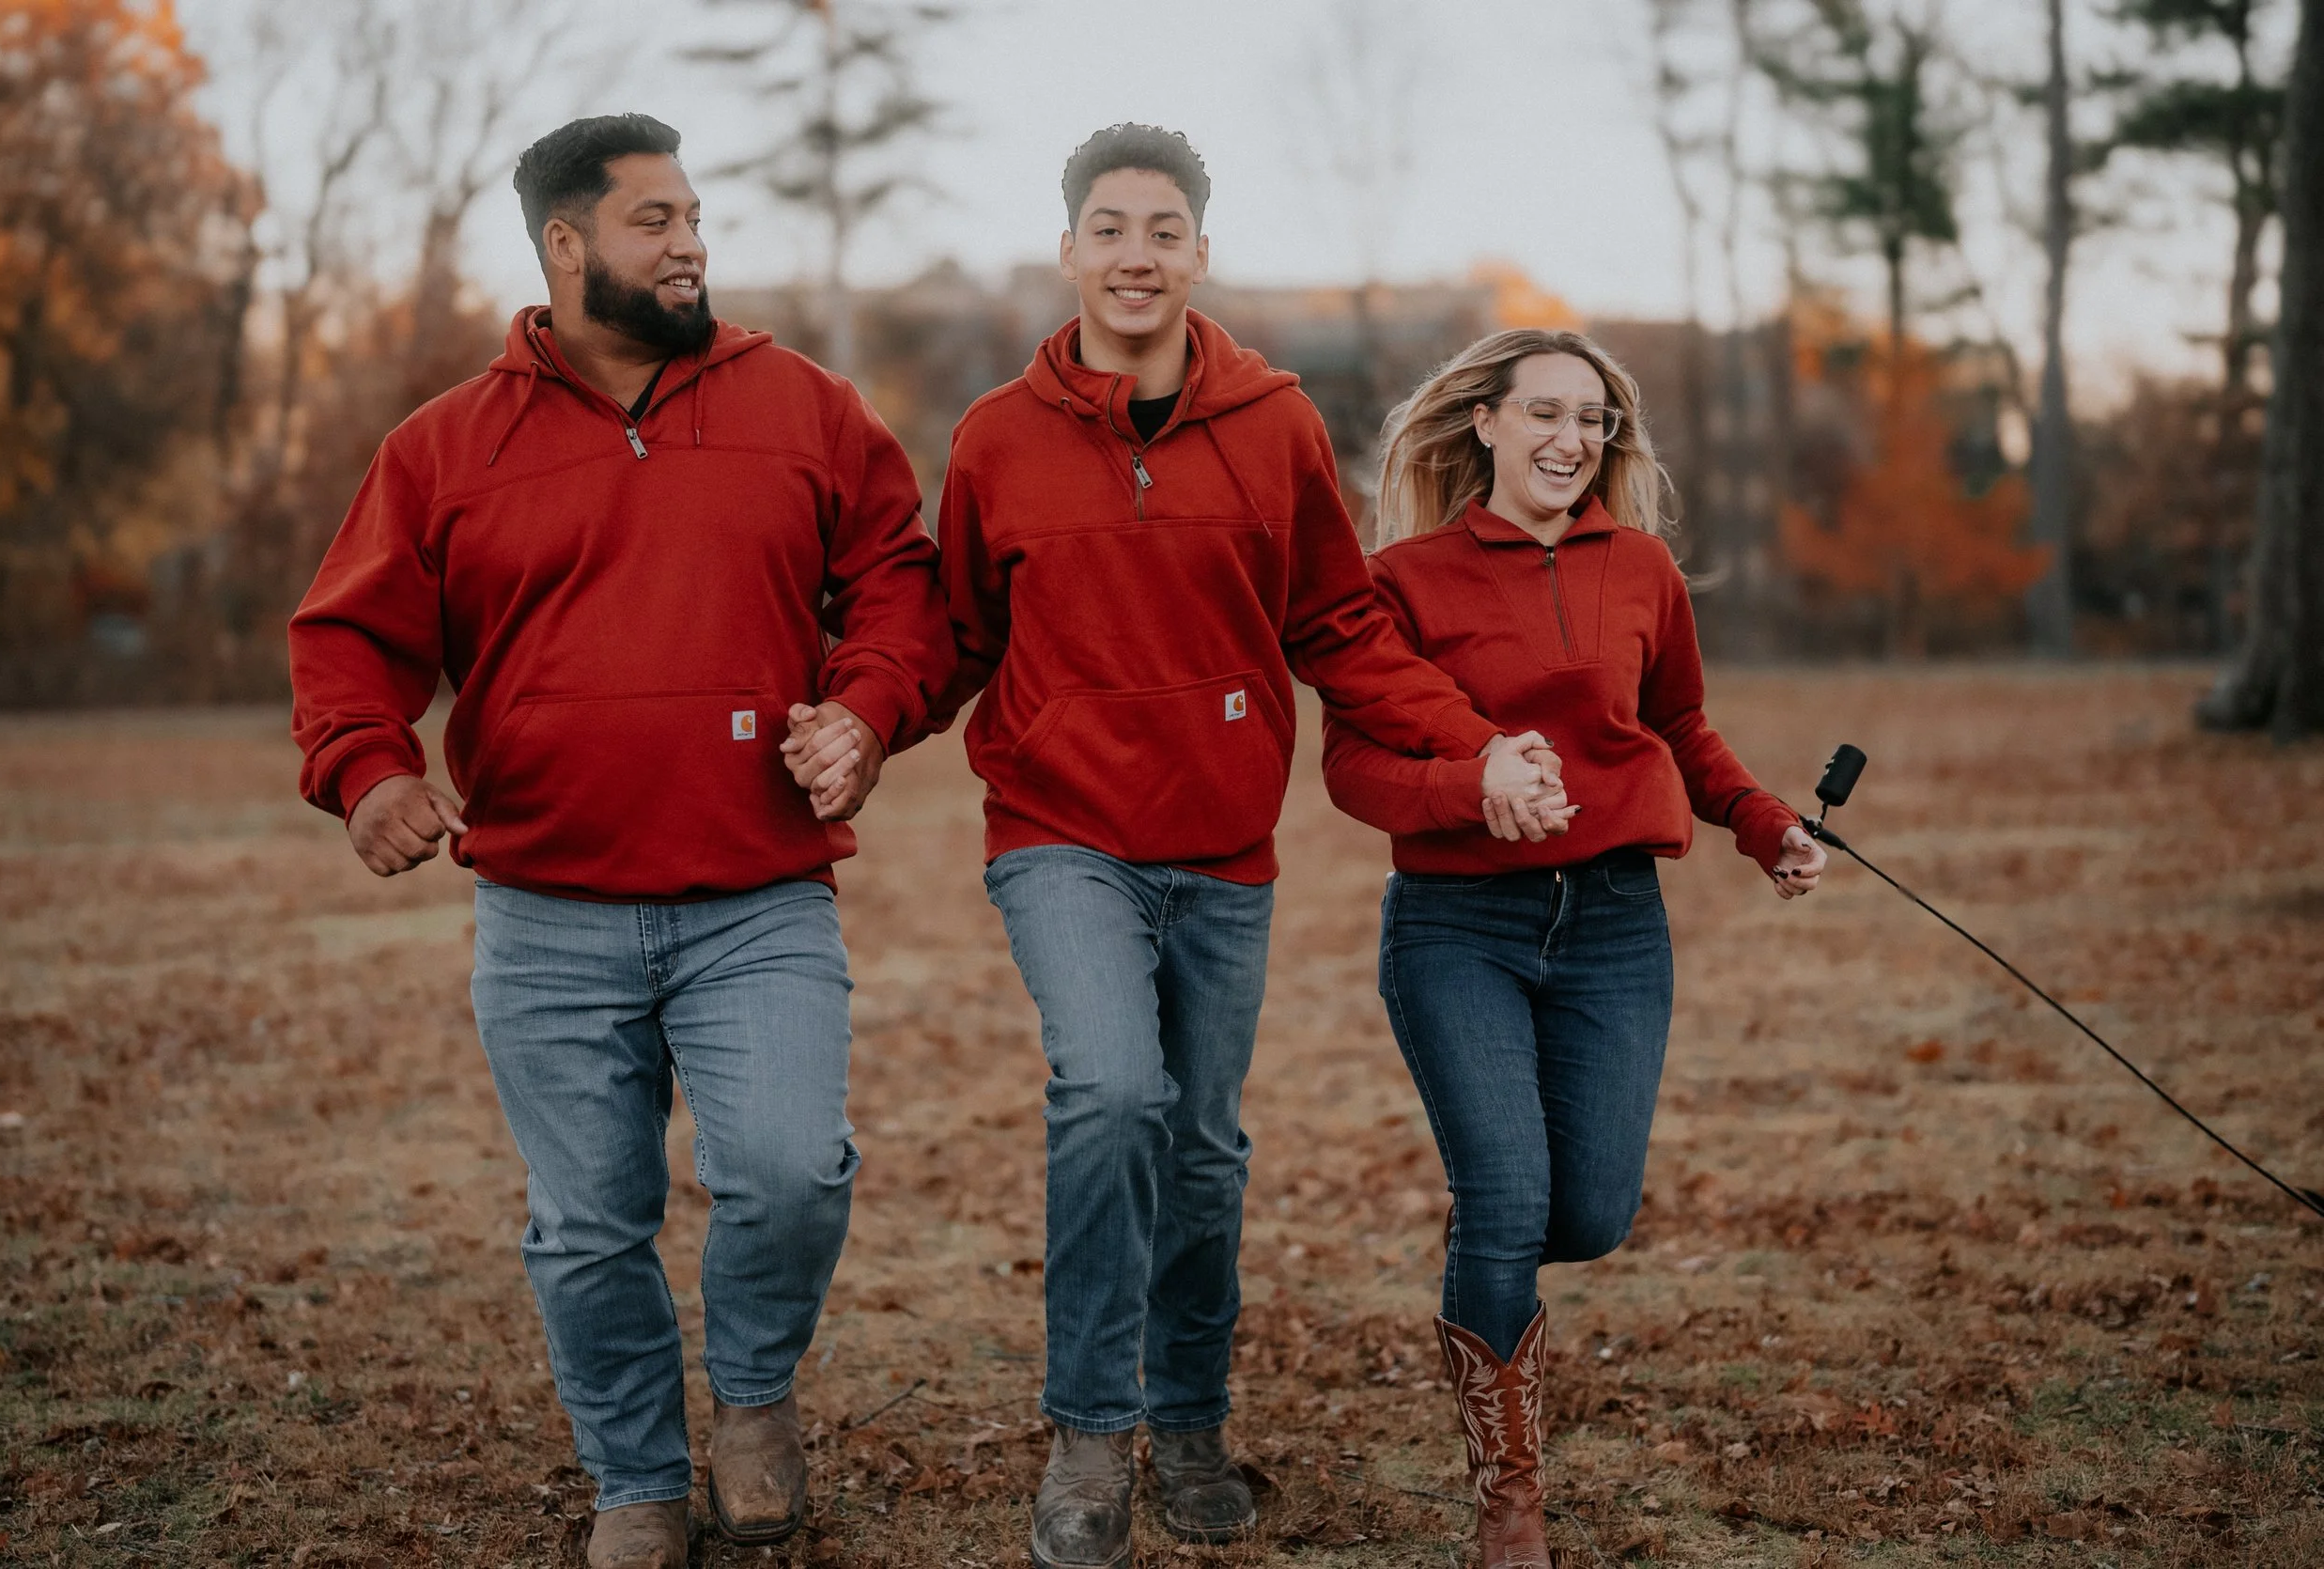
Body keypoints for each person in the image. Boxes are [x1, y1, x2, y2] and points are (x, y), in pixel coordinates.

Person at [287, 114, 953, 1569]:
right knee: (590, 1222)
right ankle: (638, 1477)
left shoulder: (804, 406)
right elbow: (347, 635)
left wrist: (866, 707)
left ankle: (758, 1396)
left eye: (697, 215)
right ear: (567, 244)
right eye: (655, 220)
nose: (691, 242)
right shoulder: (447, 448)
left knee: (789, 1168)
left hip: (757, 890)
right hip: (547, 904)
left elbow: (903, 580)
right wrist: (364, 772)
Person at [932, 124, 1560, 1569]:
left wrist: (1468, 745)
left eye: (1163, 228)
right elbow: (954, 633)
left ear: (1199, 253)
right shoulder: (995, 438)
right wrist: (852, 721)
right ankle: (1093, 1431)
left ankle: (1193, 1414)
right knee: (1110, 1094)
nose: (1135, 254)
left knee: (1204, 1148)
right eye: (1108, 227)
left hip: (1222, 841)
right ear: (1069, 249)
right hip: (1059, 829)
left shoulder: (1272, 424)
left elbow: (1339, 624)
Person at [1321, 328, 1825, 1569]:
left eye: (1592, 420)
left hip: (1611, 923)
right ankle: (1511, 1507)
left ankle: (1488, 1275)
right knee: (1503, 1200)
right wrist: (1465, 792)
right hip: (1458, 923)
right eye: (1544, 412)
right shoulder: (1406, 580)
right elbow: (1352, 765)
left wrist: (1764, 822)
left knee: (1587, 1212)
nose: (1569, 440)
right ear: (1483, 424)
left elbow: (1682, 724)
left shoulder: (1640, 566)